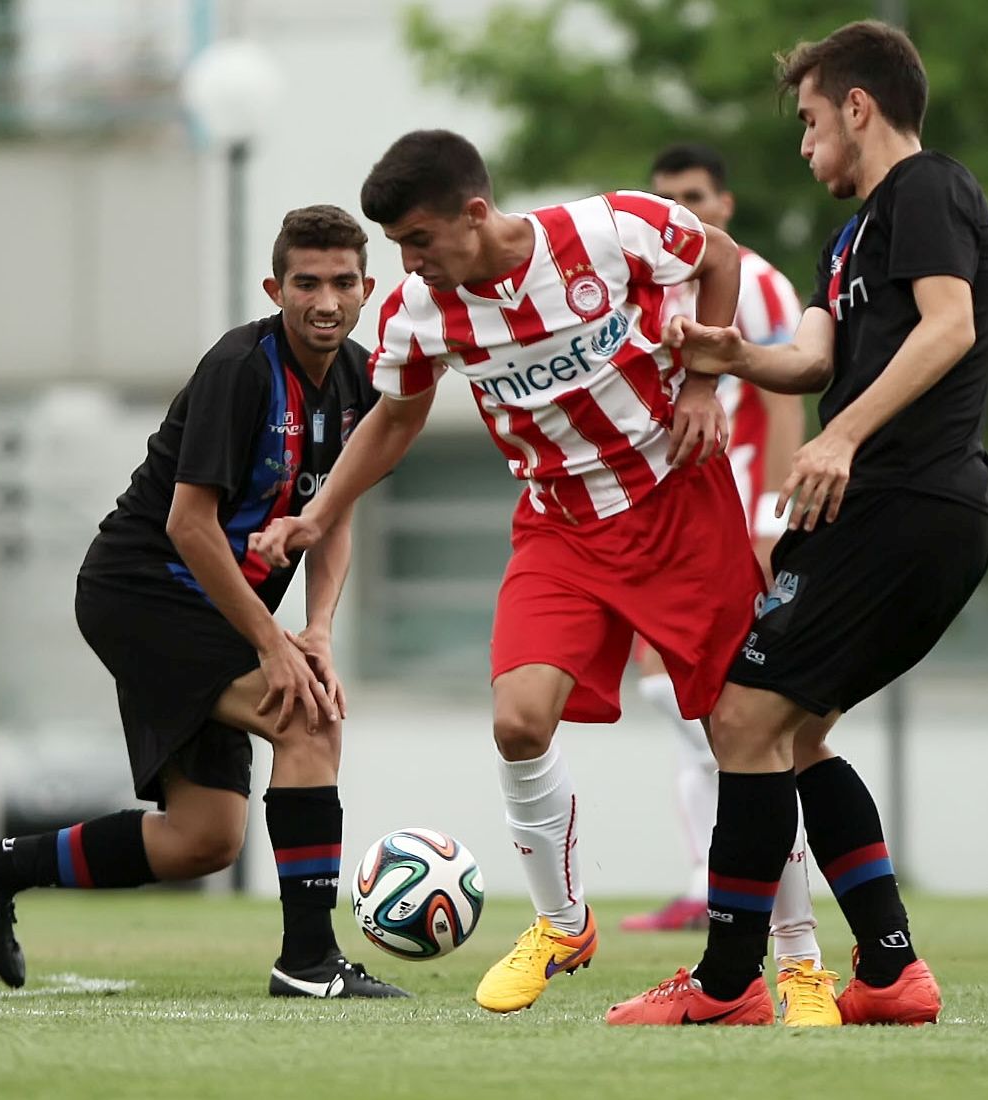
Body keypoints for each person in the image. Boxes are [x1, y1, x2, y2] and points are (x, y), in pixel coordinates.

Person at [253, 129, 757, 1015]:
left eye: (418, 239)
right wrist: (319, 513)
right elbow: (395, 420)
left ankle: (790, 961)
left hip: (677, 507)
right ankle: (562, 925)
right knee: (518, 723)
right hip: (559, 529)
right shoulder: (418, 310)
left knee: (744, 736)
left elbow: (717, 257)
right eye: (400, 245)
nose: (408, 262)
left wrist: (702, 384)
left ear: (475, 214)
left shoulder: (607, 230)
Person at [605, 20, 988, 1026]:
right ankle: (890, 970)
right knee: (795, 733)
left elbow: (949, 326)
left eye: (811, 119)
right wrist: (729, 354)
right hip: (879, 511)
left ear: (858, 108)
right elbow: (816, 362)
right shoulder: (847, 239)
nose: (804, 141)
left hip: (908, 501)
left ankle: (727, 983)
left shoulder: (928, 189)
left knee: (742, 718)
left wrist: (842, 437)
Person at [0, 205, 408, 1000]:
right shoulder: (240, 368)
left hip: (215, 612)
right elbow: (188, 525)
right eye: (306, 283)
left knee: (202, 839)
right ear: (275, 289)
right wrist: (272, 643)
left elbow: (332, 519)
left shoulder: (362, 380)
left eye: (341, 282)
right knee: (309, 720)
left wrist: (318, 629)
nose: (325, 300)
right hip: (142, 591)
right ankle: (308, 962)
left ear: (367, 289)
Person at [621, 141, 837, 1027]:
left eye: (695, 195)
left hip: (739, 522)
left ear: (726, 203)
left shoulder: (755, 283)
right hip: (669, 530)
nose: (683, 210)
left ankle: (778, 928)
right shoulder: (651, 287)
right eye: (667, 198)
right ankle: (708, 888)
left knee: (741, 730)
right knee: (687, 716)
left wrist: (774, 521)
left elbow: (785, 396)